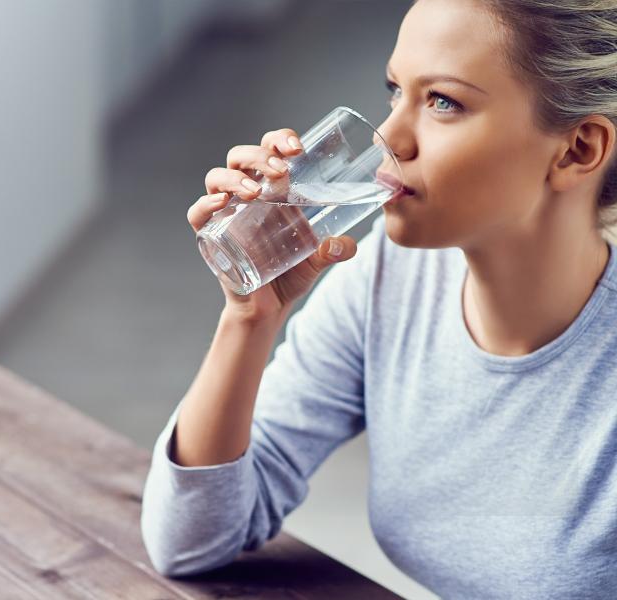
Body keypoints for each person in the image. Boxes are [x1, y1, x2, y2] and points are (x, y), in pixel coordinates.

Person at [139, 0, 617, 597]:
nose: (388, 137)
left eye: (443, 101)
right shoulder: (390, 283)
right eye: (395, 90)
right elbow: (190, 542)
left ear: (578, 150)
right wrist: (249, 316)